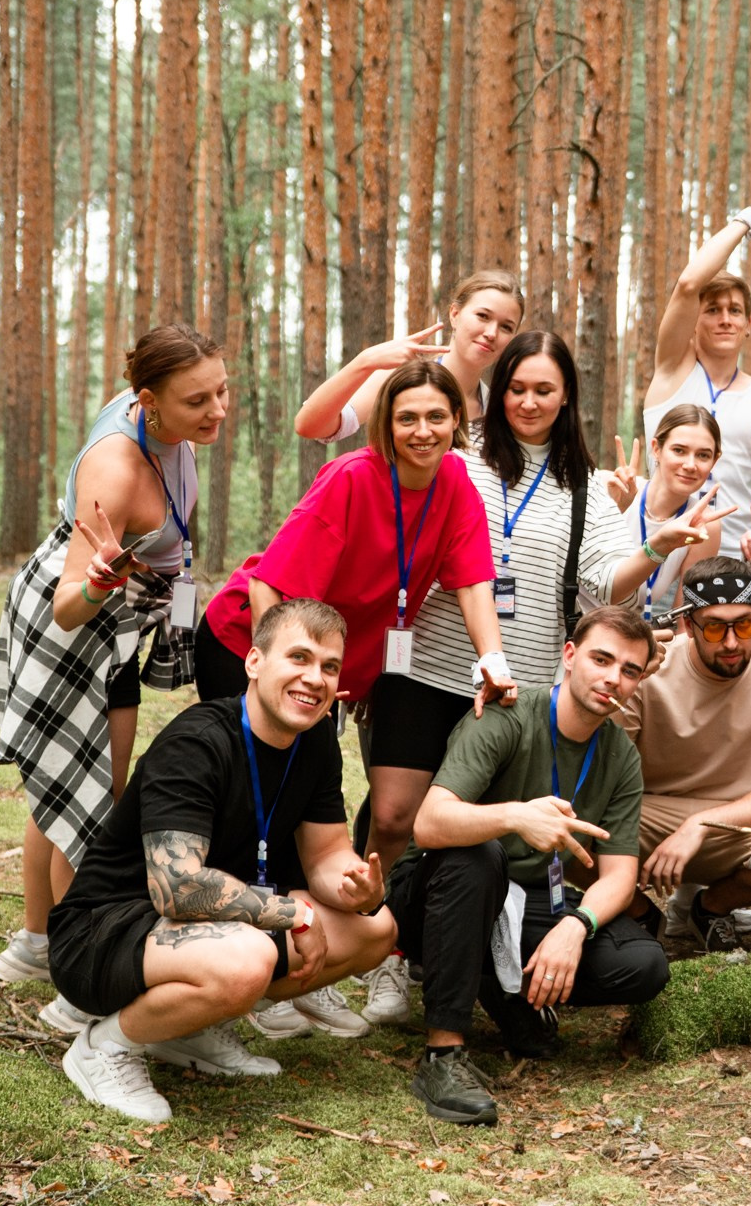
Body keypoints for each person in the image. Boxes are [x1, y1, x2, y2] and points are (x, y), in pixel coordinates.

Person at [348, 330, 723, 1027]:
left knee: (480, 837)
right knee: (397, 815)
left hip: (513, 684)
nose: (528, 401)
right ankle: (384, 957)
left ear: (566, 396)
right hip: (427, 663)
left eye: (544, 390)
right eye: (516, 387)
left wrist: (653, 545)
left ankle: (454, 951)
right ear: (499, 392)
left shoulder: (579, 485)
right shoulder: (460, 460)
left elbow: (604, 578)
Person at [46, 599, 400, 1124]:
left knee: (375, 929)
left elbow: (326, 853)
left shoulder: (317, 738)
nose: (315, 678)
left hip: (209, 926)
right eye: (298, 658)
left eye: (329, 666)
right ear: (254, 662)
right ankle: (105, 1047)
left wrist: (356, 887)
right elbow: (177, 888)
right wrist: (296, 915)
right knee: (249, 958)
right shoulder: (198, 741)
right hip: (104, 931)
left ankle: (188, 1027)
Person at [0, 326, 225, 1006]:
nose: (217, 410)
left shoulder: (156, 415)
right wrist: (96, 582)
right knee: (90, 799)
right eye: (198, 399)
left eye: (222, 390)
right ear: (147, 400)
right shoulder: (115, 471)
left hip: (120, 623)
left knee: (70, 786)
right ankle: (78, 970)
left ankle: (35, 940)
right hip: (79, 624)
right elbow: (65, 607)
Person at [201, 358, 515, 868]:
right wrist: (276, 675)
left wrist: (493, 661)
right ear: (385, 424)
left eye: (436, 417)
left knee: (299, 782)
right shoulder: (351, 477)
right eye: (406, 418)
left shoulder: (456, 481)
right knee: (255, 779)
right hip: (246, 639)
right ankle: (230, 886)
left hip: (316, 662)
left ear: (458, 418)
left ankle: (305, 894)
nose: (422, 431)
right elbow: (268, 585)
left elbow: (474, 583)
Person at [392, 606, 669, 1124]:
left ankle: (504, 992)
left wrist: (575, 926)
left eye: (630, 670)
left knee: (644, 964)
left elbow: (620, 877)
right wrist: (517, 817)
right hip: (441, 892)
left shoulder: (620, 754)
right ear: (569, 656)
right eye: (601, 659)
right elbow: (429, 824)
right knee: (480, 855)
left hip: (534, 899)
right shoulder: (507, 716)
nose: (613, 678)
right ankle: (442, 1055)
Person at [617, 557, 751, 951]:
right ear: (688, 625)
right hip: (651, 815)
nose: (732, 642)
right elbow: (595, 770)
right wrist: (626, 679)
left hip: (740, 823)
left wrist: (700, 824)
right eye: (715, 627)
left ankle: (712, 906)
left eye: (745, 625)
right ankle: (639, 916)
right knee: (562, 822)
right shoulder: (652, 667)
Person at [639, 199, 751, 553]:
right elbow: (689, 283)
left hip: (736, 555)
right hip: (662, 550)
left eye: (735, 310)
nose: (725, 319)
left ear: (747, 325)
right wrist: (747, 219)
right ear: (694, 321)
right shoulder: (673, 369)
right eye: (713, 310)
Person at [292, 269, 525, 443]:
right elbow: (310, 426)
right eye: (483, 316)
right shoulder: (401, 378)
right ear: (454, 314)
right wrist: (365, 361)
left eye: (506, 327)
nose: (492, 333)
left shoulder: (497, 410)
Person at [604, 404, 729, 620]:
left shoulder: (703, 524)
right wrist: (615, 508)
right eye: (679, 450)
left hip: (626, 637)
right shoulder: (611, 487)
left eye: (703, 455)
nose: (690, 465)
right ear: (656, 449)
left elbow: (684, 617)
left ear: (715, 460)